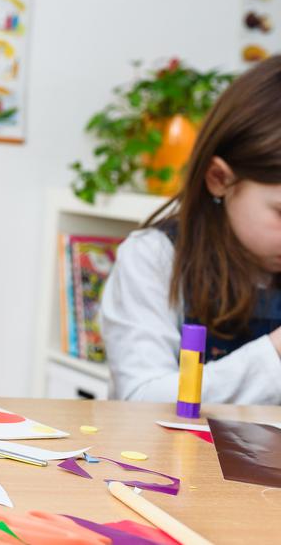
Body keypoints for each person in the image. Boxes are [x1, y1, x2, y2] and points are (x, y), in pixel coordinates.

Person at [102, 55, 281, 404]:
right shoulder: (153, 258)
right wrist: (275, 352)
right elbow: (141, 399)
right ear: (219, 179)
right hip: (169, 458)